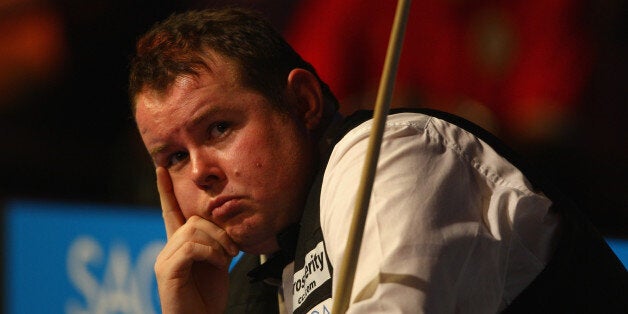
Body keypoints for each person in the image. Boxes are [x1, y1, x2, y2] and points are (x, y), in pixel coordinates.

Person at [128, 7, 626, 314]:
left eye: (219, 128)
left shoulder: (394, 156)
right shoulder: (256, 273)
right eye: (173, 156)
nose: (199, 172)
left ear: (302, 103)